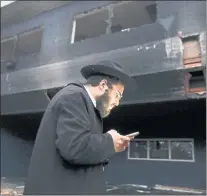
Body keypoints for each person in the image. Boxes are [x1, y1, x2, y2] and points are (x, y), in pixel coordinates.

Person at [23, 60, 136, 195]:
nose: (117, 103)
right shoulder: (74, 97)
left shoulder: (83, 102)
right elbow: (74, 147)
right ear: (103, 85)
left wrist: (111, 145)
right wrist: (109, 141)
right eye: (117, 95)